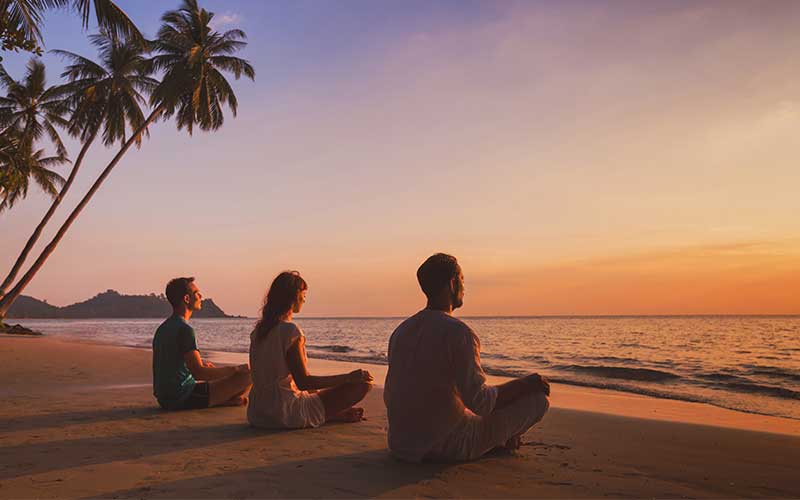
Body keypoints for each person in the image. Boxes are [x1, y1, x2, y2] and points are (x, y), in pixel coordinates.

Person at [384, 253, 551, 462]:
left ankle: (501, 439)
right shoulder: (458, 333)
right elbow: (480, 403)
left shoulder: (402, 331)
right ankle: (499, 441)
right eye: (462, 280)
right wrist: (525, 383)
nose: (465, 286)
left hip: (401, 444)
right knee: (538, 400)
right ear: (453, 283)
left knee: (463, 408)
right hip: (445, 446)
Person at [247, 271, 374, 429]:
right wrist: (348, 377)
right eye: (303, 293)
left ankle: (329, 413)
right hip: (283, 413)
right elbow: (303, 382)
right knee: (363, 383)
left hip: (257, 412)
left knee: (313, 397)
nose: (305, 299)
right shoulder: (290, 331)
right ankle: (327, 415)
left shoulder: (259, 331)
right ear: (294, 296)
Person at [152, 277, 252, 410]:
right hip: (182, 397)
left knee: (212, 371)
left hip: (164, 398)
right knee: (250, 374)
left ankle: (223, 400)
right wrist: (235, 369)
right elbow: (199, 373)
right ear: (187, 299)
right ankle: (221, 401)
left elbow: (171, 362)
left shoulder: (163, 328)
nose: (201, 296)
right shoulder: (185, 329)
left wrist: (205, 367)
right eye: (197, 293)